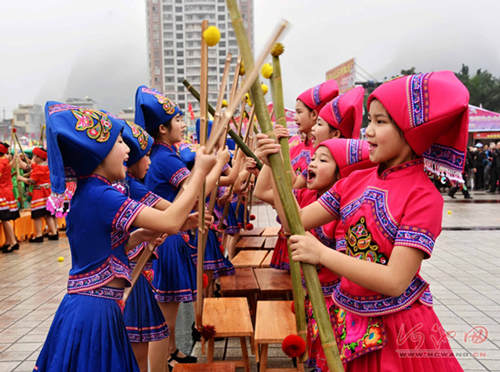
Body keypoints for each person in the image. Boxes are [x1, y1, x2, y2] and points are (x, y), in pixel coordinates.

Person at [261, 71, 466, 371]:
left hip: (398, 332)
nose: (367, 131)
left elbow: (395, 281)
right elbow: (296, 222)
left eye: (380, 122)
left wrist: (322, 254)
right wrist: (273, 165)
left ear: (410, 129)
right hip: (348, 322)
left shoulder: (424, 197)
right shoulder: (355, 180)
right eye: (369, 120)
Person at [34, 102, 217, 371]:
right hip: (94, 313)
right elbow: (169, 220)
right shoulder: (102, 195)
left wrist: (139, 235)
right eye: (120, 141)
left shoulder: (90, 191)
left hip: (91, 307)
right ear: (98, 151)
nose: (128, 150)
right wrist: (201, 171)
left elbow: (100, 249)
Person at [255, 138, 375, 369]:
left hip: (333, 304)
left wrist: (314, 248)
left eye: (322, 160)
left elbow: (344, 264)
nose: (311, 164)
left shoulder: (346, 212)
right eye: (312, 158)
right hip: (312, 293)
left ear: (342, 173)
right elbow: (264, 192)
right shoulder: (306, 198)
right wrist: (271, 162)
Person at [135, 86, 229, 369]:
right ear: (162, 128)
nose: (182, 124)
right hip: (168, 238)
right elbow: (196, 192)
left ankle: (172, 351)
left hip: (169, 233)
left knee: (167, 312)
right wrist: (219, 163)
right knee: (163, 317)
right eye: (177, 120)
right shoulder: (165, 158)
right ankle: (162, 362)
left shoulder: (163, 154)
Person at [17, 147, 59, 242]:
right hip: (47, 192)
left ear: (39, 158)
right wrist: (20, 161)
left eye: (35, 156)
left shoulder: (39, 167)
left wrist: (21, 178)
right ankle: (53, 232)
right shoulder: (46, 165)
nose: (34, 157)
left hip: (40, 193)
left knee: (37, 215)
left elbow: (31, 181)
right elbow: (28, 166)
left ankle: (38, 235)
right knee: (47, 214)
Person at [0, 142, 20, 253]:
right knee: (4, 219)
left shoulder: (1, 163)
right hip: (7, 191)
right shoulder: (5, 161)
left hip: (2, 193)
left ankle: (13, 242)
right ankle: (8, 241)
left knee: (5, 218)